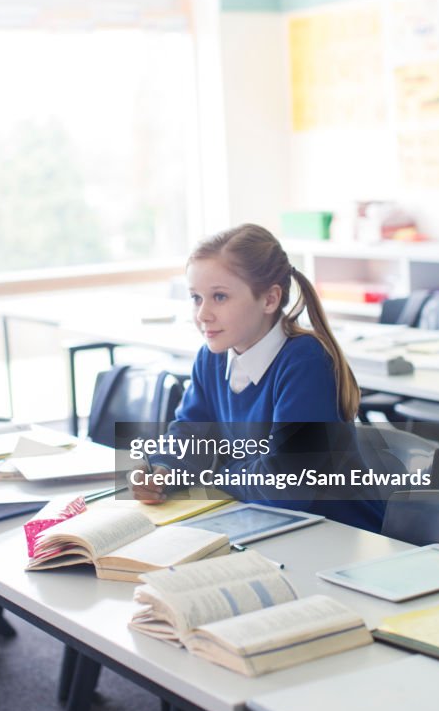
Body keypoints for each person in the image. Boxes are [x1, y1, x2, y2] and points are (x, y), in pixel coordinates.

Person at [133, 223, 386, 533]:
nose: (203, 314)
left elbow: (286, 485)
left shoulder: (304, 361)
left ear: (269, 299)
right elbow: (190, 435)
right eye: (196, 298)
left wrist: (216, 476)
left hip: (341, 534)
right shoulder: (211, 358)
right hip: (269, 525)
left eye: (220, 297)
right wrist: (163, 470)